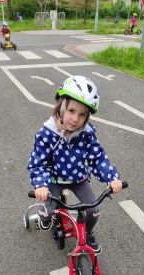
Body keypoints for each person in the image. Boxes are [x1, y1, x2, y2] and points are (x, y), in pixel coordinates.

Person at [27, 76, 123, 253]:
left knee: (93, 210)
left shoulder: (86, 134)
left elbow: (97, 158)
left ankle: (87, 234)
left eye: (82, 115)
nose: (75, 119)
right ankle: (45, 215)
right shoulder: (46, 134)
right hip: (54, 180)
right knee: (49, 209)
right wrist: (41, 185)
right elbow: (39, 163)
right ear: (61, 108)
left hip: (78, 178)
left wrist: (112, 178)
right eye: (71, 110)